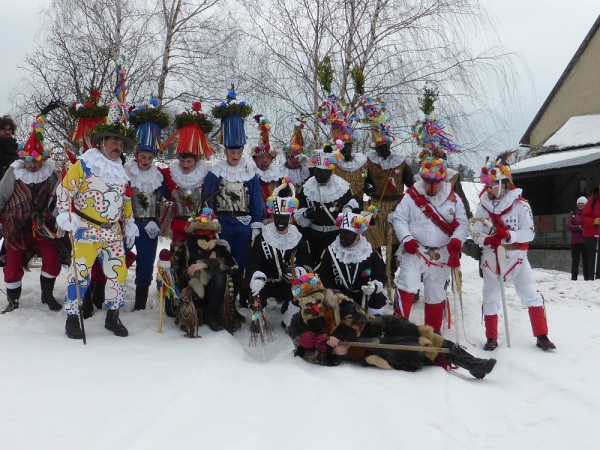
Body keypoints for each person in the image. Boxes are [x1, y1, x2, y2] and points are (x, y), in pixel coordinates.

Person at [286, 272, 496, 379]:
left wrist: (340, 338)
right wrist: (333, 353)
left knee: (418, 331)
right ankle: (431, 356)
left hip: (372, 325)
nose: (315, 305)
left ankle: (472, 363)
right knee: (411, 348)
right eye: (309, 302)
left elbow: (357, 316)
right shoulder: (299, 324)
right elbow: (305, 351)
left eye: (318, 299)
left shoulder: (338, 300)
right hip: (363, 347)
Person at [56, 71, 139, 339]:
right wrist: (65, 215)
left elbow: (125, 199)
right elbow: (65, 190)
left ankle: (112, 316)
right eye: (113, 141)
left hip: (112, 231)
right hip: (85, 228)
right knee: (80, 274)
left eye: (120, 142)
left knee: (118, 272)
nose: (117, 146)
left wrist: (130, 222)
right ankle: (72, 316)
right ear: (102, 142)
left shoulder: (121, 170)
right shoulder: (85, 163)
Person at [472, 152, 556, 351]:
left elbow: (528, 233)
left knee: (530, 293)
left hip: (517, 257)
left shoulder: (521, 205)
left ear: (503, 183)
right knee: (490, 296)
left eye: (492, 185)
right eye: (488, 185)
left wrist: (510, 235)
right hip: (492, 257)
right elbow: (475, 232)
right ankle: (491, 337)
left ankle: (542, 335)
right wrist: (487, 239)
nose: (489, 189)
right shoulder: (482, 206)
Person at [389, 156, 468, 332]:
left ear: (443, 179)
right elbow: (399, 219)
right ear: (422, 178)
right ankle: (398, 330)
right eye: (427, 181)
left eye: (436, 182)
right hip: (415, 250)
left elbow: (462, 223)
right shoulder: (411, 196)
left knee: (435, 291)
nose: (432, 187)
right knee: (407, 285)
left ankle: (432, 331)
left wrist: (457, 239)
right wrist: (406, 238)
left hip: (441, 253)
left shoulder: (453, 199)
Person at [0, 109, 64, 313]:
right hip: (16, 225)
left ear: (43, 160)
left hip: (44, 225)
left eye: (37, 161)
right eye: (30, 160)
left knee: (52, 259)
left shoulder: (52, 173)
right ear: (23, 159)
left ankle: (47, 295)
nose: (33, 165)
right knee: (12, 264)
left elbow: (62, 194)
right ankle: (13, 301)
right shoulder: (13, 171)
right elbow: (1, 195)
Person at [203, 88, 264, 276]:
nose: (235, 156)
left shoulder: (249, 173)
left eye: (238, 152)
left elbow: (256, 202)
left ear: (242, 152)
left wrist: (256, 225)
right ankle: (222, 299)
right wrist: (212, 223)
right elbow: (207, 201)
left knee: (242, 261)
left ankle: (241, 295)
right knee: (221, 261)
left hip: (243, 224)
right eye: (231, 152)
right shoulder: (215, 171)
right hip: (222, 222)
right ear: (225, 152)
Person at [245, 180, 313, 326]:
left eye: (284, 218)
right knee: (254, 290)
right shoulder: (262, 237)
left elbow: (306, 263)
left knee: (292, 317)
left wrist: (298, 271)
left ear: (290, 218)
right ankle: (258, 316)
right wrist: (257, 277)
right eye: (277, 217)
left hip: (288, 285)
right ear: (273, 217)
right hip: (266, 283)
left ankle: (290, 313)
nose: (281, 221)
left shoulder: (298, 238)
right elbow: (253, 262)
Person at [359, 96, 414, 255]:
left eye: (386, 147)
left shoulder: (400, 162)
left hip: (397, 206)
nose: (383, 150)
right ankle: (379, 271)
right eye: (380, 148)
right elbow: (363, 181)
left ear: (390, 144)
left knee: (396, 241)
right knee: (373, 240)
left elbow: (411, 184)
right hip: (375, 205)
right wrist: (366, 186)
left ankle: (392, 270)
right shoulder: (369, 162)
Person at [174, 207, 241, 333]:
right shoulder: (184, 247)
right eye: (201, 232)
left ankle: (211, 315)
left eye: (209, 233)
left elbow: (232, 265)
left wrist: (206, 264)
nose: (206, 237)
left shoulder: (220, 247)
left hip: (214, 292)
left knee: (220, 277)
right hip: (193, 288)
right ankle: (194, 313)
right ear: (194, 232)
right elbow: (177, 275)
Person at [318, 209, 388, 315]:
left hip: (364, 298)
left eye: (347, 233)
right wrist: (331, 292)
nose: (342, 236)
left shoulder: (370, 253)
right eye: (341, 232)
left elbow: (381, 276)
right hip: (338, 298)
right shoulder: (332, 252)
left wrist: (374, 286)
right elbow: (324, 275)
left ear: (357, 236)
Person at [293, 149, 354, 263]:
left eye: (323, 172)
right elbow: (298, 212)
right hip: (313, 238)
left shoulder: (343, 187)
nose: (319, 175)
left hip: (335, 238)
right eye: (317, 170)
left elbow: (353, 206)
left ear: (332, 172)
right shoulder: (307, 187)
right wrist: (305, 214)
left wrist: (348, 209)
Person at [0, 115, 20, 268]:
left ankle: (4, 255)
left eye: (9, 129)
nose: (7, 132)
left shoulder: (17, 150)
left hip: (13, 196)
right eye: (3, 129)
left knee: (12, 227)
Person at [250, 115, 282, 209]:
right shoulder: (250, 177)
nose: (265, 160)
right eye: (261, 156)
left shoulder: (278, 178)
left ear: (272, 159)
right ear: (255, 158)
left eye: (268, 157)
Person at [278, 118, 311, 190]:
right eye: (291, 157)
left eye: (298, 157)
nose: (295, 160)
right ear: (286, 158)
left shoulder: (307, 171)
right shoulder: (279, 172)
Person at [566, 196, 590, 281]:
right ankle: (574, 278)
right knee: (575, 261)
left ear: (586, 204)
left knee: (586, 261)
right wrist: (578, 227)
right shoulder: (572, 214)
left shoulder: (588, 214)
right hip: (575, 241)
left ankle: (587, 279)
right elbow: (568, 226)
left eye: (582, 203)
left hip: (586, 240)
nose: (580, 205)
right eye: (579, 203)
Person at [582, 185, 600, 280]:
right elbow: (584, 217)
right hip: (591, 234)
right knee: (592, 257)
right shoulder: (592, 200)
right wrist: (593, 221)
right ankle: (590, 279)